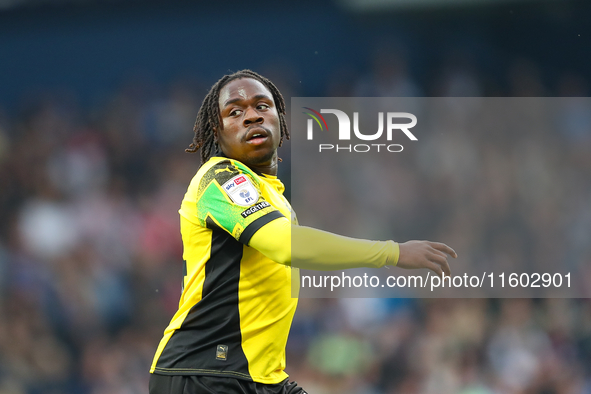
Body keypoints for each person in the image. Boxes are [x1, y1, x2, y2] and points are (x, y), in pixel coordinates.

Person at [149, 69, 456, 394]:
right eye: (235, 112)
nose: (251, 116)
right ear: (217, 131)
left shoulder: (271, 195)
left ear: (281, 120)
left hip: (260, 378)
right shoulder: (220, 179)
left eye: (262, 106)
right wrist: (391, 252)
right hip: (203, 372)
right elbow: (285, 245)